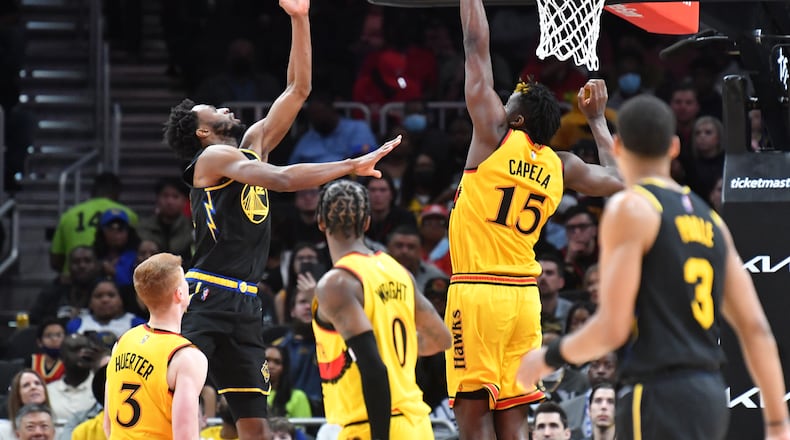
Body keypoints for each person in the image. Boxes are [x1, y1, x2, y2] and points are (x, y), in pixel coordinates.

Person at [162, 1, 401, 437]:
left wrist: (299, 18)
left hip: (247, 303)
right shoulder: (212, 157)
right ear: (202, 131)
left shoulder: (252, 144)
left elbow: (298, 89)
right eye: (212, 110)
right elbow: (284, 179)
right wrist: (351, 165)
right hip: (207, 296)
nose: (225, 109)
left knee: (256, 424)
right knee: (179, 400)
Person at [517, 95, 790, 440]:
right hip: (708, 396)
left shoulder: (631, 209)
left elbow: (612, 328)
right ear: (674, 147)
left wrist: (548, 357)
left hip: (657, 391)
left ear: (617, 147)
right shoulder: (712, 221)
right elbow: (756, 330)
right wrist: (779, 423)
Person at [450, 2, 623, 438]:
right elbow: (621, 181)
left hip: (479, 291)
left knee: (472, 416)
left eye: (508, 101)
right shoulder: (560, 164)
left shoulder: (493, 137)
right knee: (514, 415)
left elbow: (475, 46)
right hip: (526, 300)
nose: (501, 102)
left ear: (518, 117)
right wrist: (598, 120)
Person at [312, 179, 452, 439]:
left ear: (321, 221)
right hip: (416, 426)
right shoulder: (399, 272)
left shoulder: (336, 284)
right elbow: (442, 338)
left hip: (371, 426)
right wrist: (396, 347)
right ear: (366, 223)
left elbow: (374, 369)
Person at [104, 253, 208, 439]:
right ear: (180, 294)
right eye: (184, 280)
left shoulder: (122, 342)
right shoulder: (186, 357)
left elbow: (108, 425)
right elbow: (185, 436)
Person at [49, 172, 138, 277]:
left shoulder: (68, 215)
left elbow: (55, 260)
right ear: (117, 192)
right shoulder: (128, 214)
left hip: (72, 279)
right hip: (114, 281)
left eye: (118, 228)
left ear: (92, 191)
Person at [0, 370, 52, 440]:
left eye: (37, 383)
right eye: (26, 385)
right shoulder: (3, 430)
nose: (33, 387)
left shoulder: (57, 425)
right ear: (17, 394)